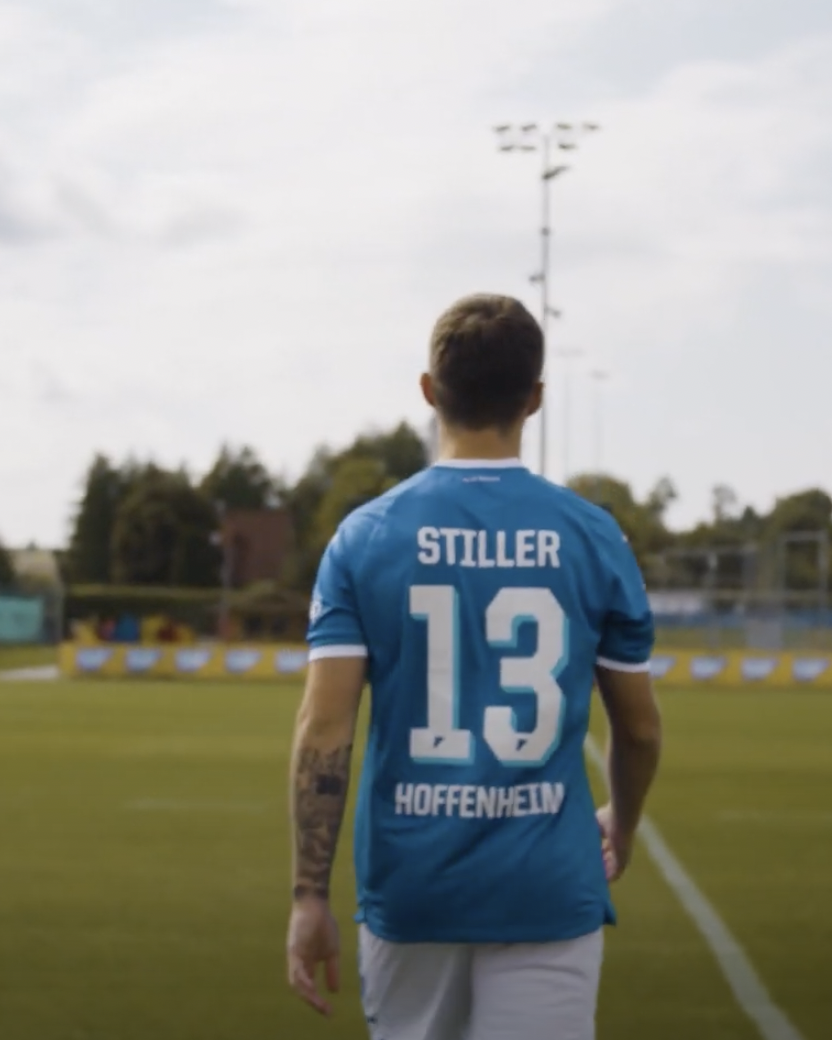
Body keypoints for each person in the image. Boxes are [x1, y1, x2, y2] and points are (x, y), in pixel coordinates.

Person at [284, 293, 665, 1039]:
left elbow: (323, 730)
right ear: (535, 399)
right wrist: (623, 821)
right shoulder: (594, 536)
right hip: (547, 885)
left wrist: (308, 895)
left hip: (412, 884)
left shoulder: (365, 537)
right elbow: (641, 730)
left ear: (429, 391)